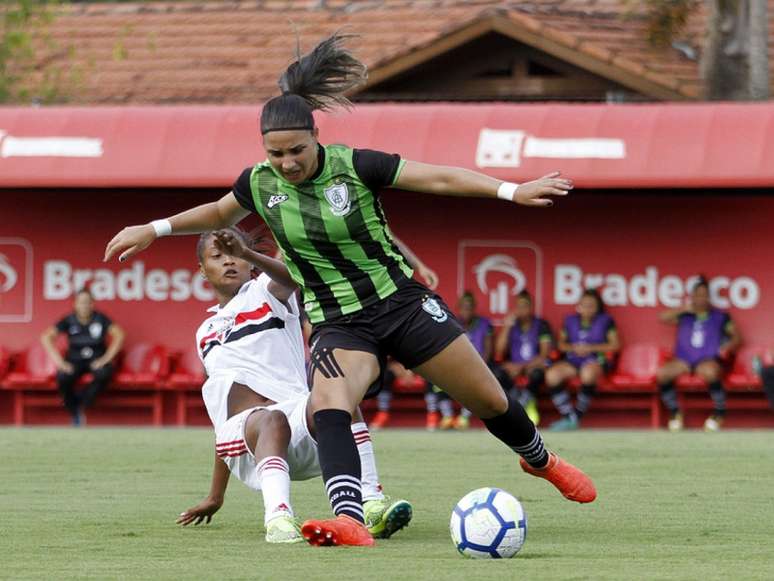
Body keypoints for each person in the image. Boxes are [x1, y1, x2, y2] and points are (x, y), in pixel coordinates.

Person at [104, 33, 595, 547]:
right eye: (276, 154)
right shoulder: (259, 184)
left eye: (297, 150)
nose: (288, 163)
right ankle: (351, 519)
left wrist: (511, 190)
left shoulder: (357, 167)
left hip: (401, 304)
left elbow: (440, 180)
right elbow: (219, 212)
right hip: (340, 323)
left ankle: (540, 460)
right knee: (332, 404)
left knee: (489, 400)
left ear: (316, 137)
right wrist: (154, 229)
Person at [176, 228, 411, 544]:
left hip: (298, 427)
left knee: (339, 396)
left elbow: (292, 276)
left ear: (250, 262)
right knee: (270, 419)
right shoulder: (205, 332)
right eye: (217, 257)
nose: (229, 261)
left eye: (235, 253)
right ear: (202, 270)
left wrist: (250, 251)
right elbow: (221, 413)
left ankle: (371, 504)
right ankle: (278, 519)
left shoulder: (265, 292)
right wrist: (215, 496)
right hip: (243, 441)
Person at [656, 276, 741, 432]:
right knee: (662, 373)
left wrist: (728, 346)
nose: (701, 298)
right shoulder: (685, 315)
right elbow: (662, 317)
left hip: (707, 359)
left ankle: (719, 413)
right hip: (684, 360)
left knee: (711, 372)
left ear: (709, 297)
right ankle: (675, 412)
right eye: (698, 294)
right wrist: (684, 308)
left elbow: (736, 337)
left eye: (704, 295)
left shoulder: (720, 316)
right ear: (692, 297)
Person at [40, 289, 124, 426]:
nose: (84, 305)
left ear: (93, 304)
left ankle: (82, 402)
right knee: (62, 376)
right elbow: (46, 337)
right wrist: (60, 362)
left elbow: (120, 335)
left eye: (88, 302)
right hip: (74, 361)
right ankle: (74, 412)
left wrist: (105, 359)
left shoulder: (101, 318)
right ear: (75, 304)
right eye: (81, 302)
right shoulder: (68, 320)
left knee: (105, 373)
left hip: (97, 360)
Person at [546, 289, 619, 431]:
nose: (587, 308)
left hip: (596, 360)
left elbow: (615, 345)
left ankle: (576, 417)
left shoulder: (606, 321)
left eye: (591, 305)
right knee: (552, 375)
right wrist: (574, 348)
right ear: (578, 306)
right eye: (584, 305)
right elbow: (561, 344)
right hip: (574, 360)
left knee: (588, 373)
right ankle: (569, 416)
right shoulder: (570, 320)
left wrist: (590, 348)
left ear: (598, 307)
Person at [435, 292, 510, 431]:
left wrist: (477, 367)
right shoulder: (451, 322)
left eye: (469, 307)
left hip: (481, 364)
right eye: (463, 307)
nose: (466, 310)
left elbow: (488, 350)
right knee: (436, 375)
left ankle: (464, 418)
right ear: (459, 308)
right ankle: (447, 417)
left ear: (474, 308)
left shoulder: (485, 324)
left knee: (485, 379)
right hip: (457, 365)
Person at [494, 290, 553, 426]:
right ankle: (518, 401)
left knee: (537, 373)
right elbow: (499, 351)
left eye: (525, 306)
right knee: (497, 373)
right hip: (514, 366)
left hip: (533, 365)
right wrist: (507, 327)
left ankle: (523, 406)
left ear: (531, 307)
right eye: (519, 306)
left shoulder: (541, 324)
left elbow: (544, 354)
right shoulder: (512, 326)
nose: (521, 310)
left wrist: (522, 367)